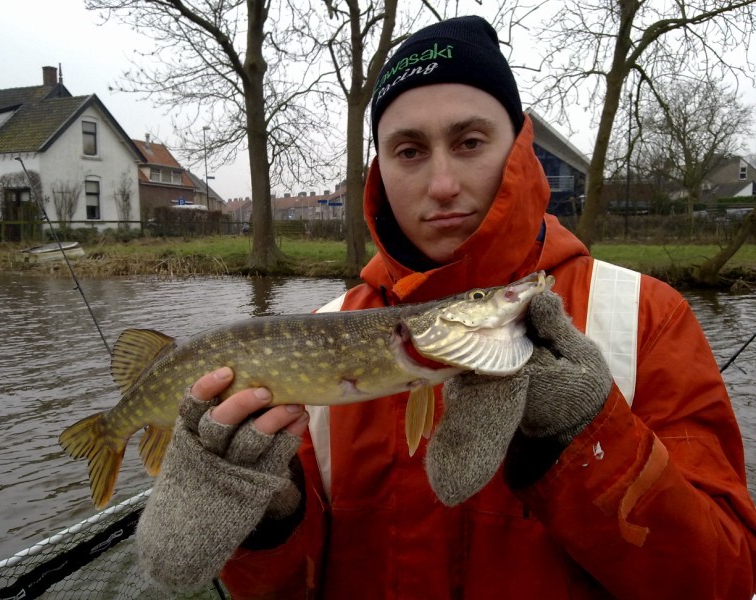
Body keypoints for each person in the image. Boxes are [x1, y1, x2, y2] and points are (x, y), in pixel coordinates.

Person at [136, 15, 756, 598]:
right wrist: (270, 520)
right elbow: (290, 591)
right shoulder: (324, 330)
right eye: (409, 151)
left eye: (469, 141)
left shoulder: (646, 315)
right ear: (380, 170)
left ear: (519, 148)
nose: (441, 185)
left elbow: (724, 580)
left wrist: (586, 440)